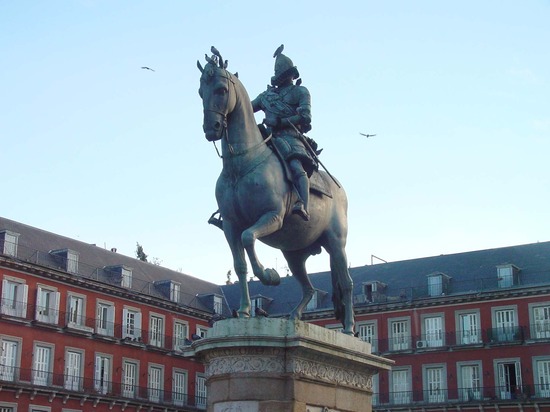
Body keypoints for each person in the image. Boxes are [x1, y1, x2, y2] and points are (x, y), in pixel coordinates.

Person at [251, 45, 316, 221]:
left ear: (291, 74)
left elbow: (305, 117)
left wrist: (280, 122)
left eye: (284, 73)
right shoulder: (267, 96)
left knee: (295, 165)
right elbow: (248, 108)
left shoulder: (300, 92)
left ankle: (303, 203)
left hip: (291, 136)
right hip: (267, 136)